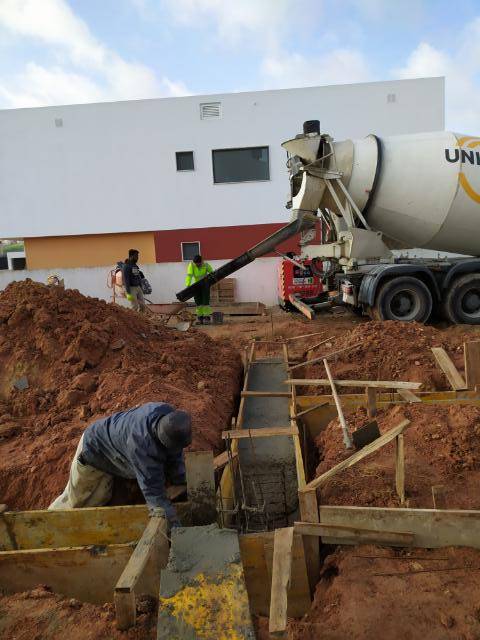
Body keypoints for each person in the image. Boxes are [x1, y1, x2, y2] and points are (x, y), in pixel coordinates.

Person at [48, 402, 192, 527]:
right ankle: (49, 522)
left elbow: (175, 451)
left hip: (115, 448)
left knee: (104, 496)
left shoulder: (168, 414)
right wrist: (175, 528)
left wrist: (181, 479)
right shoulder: (141, 446)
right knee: (80, 502)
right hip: (93, 450)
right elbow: (154, 495)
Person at [185, 254, 213, 324]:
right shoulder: (191, 265)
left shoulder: (206, 265)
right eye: (196, 264)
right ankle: (200, 318)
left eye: (198, 264)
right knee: (198, 302)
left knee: (205, 302)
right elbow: (189, 276)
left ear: (201, 261)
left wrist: (212, 281)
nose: (197, 265)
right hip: (196, 286)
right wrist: (188, 285)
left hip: (205, 285)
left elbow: (212, 273)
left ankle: (206, 317)